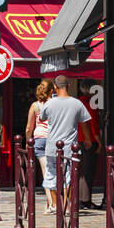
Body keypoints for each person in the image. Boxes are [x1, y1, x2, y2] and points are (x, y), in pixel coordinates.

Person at [39, 76, 92, 214]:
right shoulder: (77, 103)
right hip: (70, 147)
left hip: (52, 147)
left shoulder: (49, 104)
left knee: (52, 176)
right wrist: (87, 138)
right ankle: (67, 207)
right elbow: (85, 122)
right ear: (68, 85)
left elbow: (42, 117)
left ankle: (56, 205)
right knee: (69, 177)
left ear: (55, 87)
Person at [26, 80, 55, 209]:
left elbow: (29, 127)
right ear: (51, 91)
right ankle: (52, 203)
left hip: (40, 139)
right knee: (55, 172)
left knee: (46, 172)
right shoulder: (55, 104)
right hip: (53, 139)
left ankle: (51, 204)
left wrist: (28, 141)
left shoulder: (35, 106)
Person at [77, 82, 102, 209]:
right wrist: (99, 141)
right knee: (89, 170)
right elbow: (93, 124)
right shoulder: (90, 103)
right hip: (89, 139)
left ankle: (81, 198)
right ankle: (86, 199)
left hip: (79, 138)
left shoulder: (79, 101)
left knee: (82, 170)